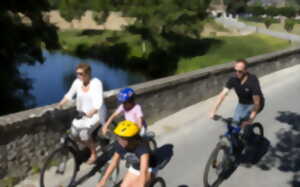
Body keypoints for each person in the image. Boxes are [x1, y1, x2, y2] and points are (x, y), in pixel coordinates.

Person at [58, 63, 106, 164]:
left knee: (84, 134)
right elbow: (69, 95)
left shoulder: (96, 83)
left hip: (97, 114)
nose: (78, 76)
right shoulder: (77, 82)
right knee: (74, 134)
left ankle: (93, 153)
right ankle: (91, 144)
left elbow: (98, 101)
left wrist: (93, 111)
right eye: (77, 74)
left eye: (81, 74)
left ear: (88, 74)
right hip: (82, 114)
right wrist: (60, 105)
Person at [97, 120, 155, 187]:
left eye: (123, 138)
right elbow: (114, 162)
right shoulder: (120, 144)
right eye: (118, 137)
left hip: (148, 168)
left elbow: (143, 171)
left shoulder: (142, 149)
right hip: (135, 167)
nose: (119, 140)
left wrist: (141, 184)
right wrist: (103, 180)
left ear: (132, 139)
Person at [209, 59, 265, 127]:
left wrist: (249, 121)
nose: (237, 73)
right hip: (242, 103)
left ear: (245, 70)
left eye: (240, 71)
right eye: (235, 70)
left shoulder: (252, 80)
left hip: (254, 104)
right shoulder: (233, 79)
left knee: (243, 123)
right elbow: (222, 95)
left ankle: (249, 134)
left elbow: (257, 103)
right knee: (235, 124)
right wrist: (213, 111)